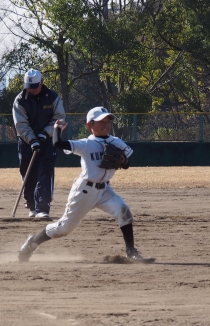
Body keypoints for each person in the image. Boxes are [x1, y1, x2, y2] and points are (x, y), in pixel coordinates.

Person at [17, 106, 154, 263]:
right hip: (84, 191)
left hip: (105, 190)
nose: (106, 124)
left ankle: (131, 252)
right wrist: (57, 129)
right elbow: (58, 144)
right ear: (90, 125)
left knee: (123, 210)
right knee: (63, 228)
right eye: (101, 121)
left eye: (108, 121)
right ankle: (32, 243)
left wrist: (124, 161)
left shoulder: (116, 142)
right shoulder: (86, 144)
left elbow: (127, 164)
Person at [12, 69, 65, 219]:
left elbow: (59, 118)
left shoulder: (53, 97)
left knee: (45, 173)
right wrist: (33, 140)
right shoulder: (20, 100)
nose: (31, 89)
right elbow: (21, 124)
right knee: (27, 173)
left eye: (34, 86)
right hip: (26, 141)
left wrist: (44, 134)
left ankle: (42, 207)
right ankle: (32, 205)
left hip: (48, 141)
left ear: (41, 83)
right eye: (28, 87)